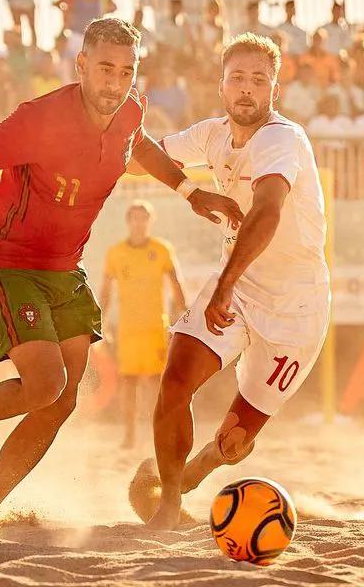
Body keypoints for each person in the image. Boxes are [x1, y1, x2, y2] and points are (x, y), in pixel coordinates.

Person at [0, 17, 243, 533]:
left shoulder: (130, 109)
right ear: (82, 66)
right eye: (105, 69)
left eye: (126, 72)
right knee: (46, 385)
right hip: (10, 262)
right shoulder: (38, 118)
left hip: (65, 268)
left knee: (62, 399)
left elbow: (138, 145)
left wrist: (191, 192)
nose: (115, 83)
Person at [138, 33, 331, 530]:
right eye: (237, 78)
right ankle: (169, 506)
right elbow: (140, 149)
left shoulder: (281, 138)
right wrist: (189, 191)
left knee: (234, 442)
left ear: (275, 89)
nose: (247, 89)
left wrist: (223, 285)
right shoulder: (211, 133)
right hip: (241, 286)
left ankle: (197, 468)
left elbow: (266, 214)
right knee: (176, 379)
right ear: (221, 86)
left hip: (296, 308)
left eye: (259, 80)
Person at [100, 201, 187, 449]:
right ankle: (129, 435)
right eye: (135, 218)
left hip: (155, 327)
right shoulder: (115, 253)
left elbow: (176, 283)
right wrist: (101, 321)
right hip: (128, 329)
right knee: (128, 382)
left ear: (150, 221)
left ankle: (157, 433)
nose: (139, 223)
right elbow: (105, 292)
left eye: (144, 218)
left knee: (155, 382)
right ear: (128, 222)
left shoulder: (162, 249)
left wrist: (184, 316)